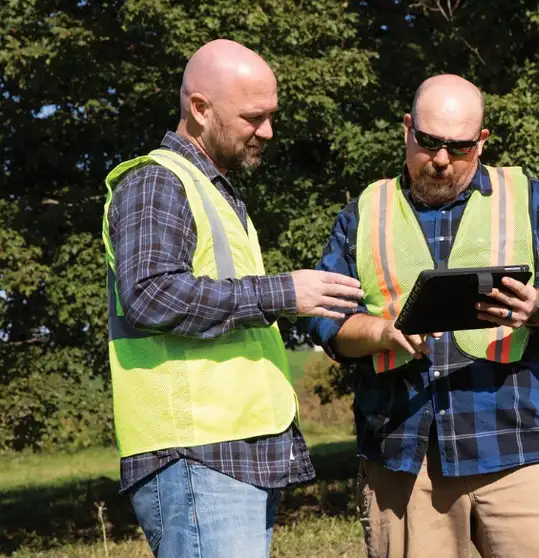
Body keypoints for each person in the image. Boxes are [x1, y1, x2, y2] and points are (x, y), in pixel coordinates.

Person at [308, 73, 539, 557]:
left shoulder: (529, 195)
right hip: (406, 461)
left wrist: (537, 307)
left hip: (523, 448)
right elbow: (326, 321)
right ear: (406, 129)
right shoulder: (363, 213)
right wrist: (381, 332)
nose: (441, 160)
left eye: (459, 148)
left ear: (482, 143)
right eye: (428, 142)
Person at [100, 39, 365, 558]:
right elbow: (149, 295)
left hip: (229, 452)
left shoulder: (214, 190)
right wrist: (284, 291)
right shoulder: (156, 183)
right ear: (199, 109)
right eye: (252, 117)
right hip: (195, 454)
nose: (267, 131)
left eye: (271, 116)